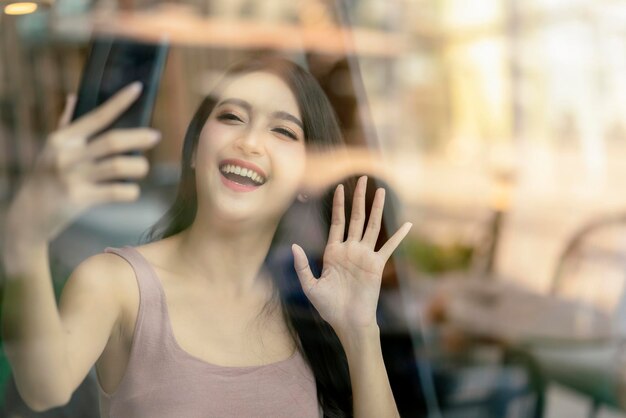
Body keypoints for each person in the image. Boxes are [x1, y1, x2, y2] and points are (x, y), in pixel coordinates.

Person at [2, 56, 412, 417]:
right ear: (196, 150)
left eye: (283, 132)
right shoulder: (117, 283)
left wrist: (359, 330)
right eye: (232, 117)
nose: (249, 142)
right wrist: (26, 237)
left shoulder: (307, 305)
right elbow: (44, 389)